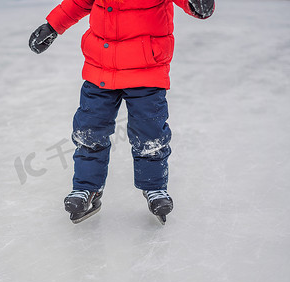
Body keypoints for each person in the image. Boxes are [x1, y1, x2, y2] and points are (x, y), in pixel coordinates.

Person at [29, 0, 215, 224]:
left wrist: (200, 4)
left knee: (150, 133)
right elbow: (78, 2)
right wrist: (52, 26)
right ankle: (87, 188)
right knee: (89, 130)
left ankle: (155, 188)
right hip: (101, 67)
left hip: (146, 69)